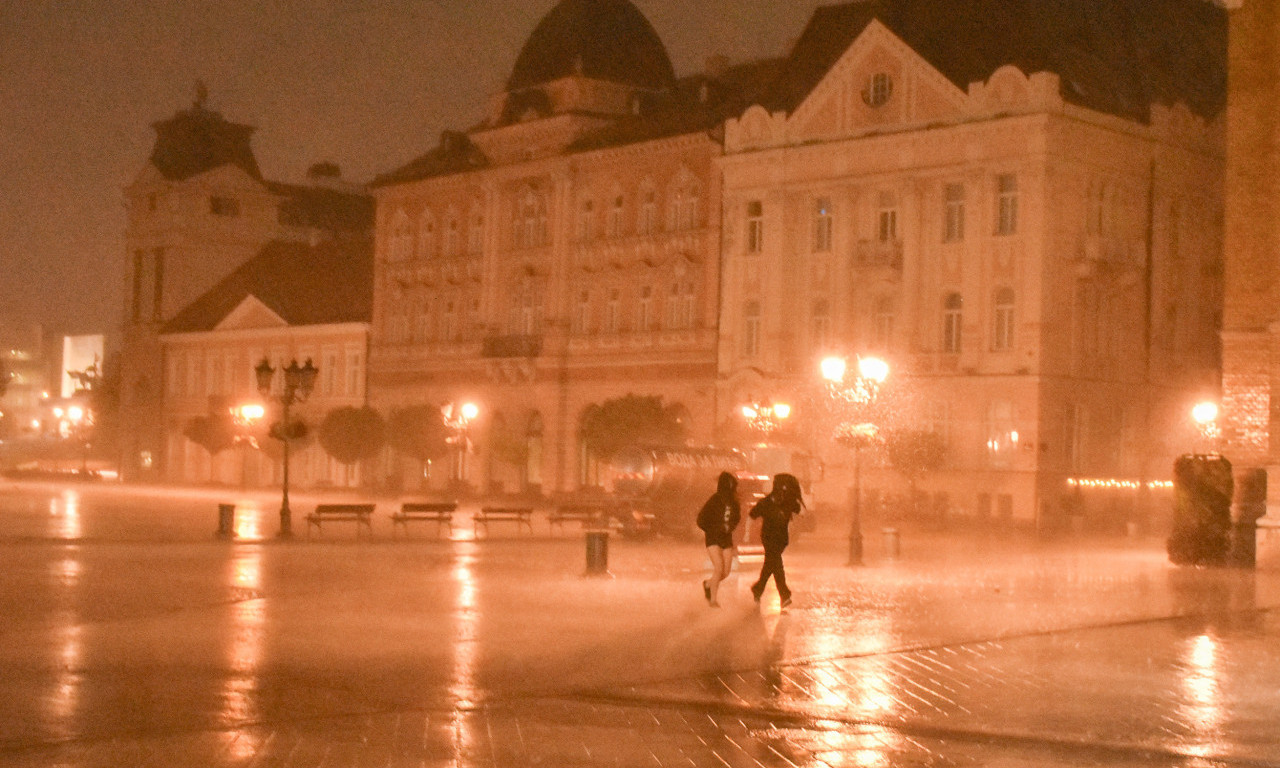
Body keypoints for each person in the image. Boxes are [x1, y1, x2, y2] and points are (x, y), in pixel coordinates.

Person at [749, 473, 803, 609]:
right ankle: (784, 595)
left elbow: (798, 509)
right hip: (769, 538)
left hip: (781, 539)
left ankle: (758, 588)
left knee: (770, 564)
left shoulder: (786, 502)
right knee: (777, 564)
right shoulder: (766, 502)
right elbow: (753, 513)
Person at [697, 471, 740, 607]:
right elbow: (701, 519)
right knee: (719, 568)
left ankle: (708, 584)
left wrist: (730, 527)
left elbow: (736, 518)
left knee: (726, 572)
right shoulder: (715, 500)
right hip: (713, 539)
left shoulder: (734, 502)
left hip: (726, 539)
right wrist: (711, 530)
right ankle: (713, 600)